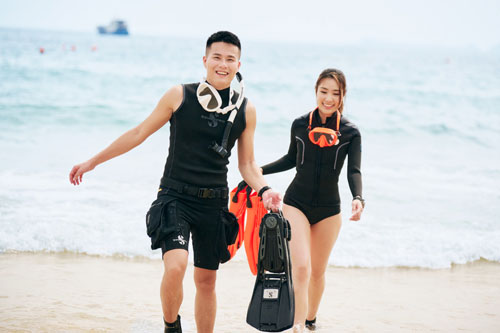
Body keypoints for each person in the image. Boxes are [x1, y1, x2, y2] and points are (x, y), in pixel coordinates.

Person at [69, 31, 281, 333]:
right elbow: (138, 133)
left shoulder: (246, 110)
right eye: (217, 57)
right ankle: (172, 326)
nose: (222, 64)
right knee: (176, 266)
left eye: (230, 59)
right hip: (175, 197)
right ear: (205, 60)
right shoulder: (179, 95)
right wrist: (92, 161)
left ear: (238, 65)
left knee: (206, 281)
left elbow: (246, 165)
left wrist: (266, 189)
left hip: (213, 203)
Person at [260, 68, 364, 332]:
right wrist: (257, 173)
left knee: (317, 272)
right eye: (324, 91)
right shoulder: (300, 124)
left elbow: (354, 171)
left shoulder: (351, 133)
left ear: (342, 97)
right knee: (302, 267)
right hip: (296, 204)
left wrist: (358, 198)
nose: (328, 98)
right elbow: (290, 159)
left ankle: (310, 321)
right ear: (316, 91)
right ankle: (296, 325)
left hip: (329, 210)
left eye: (335, 93)